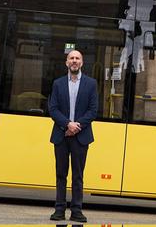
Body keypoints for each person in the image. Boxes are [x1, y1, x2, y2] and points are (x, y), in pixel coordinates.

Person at [48, 48, 98, 222]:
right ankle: (59, 210)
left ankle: (76, 210)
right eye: (71, 58)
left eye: (77, 58)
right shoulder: (58, 83)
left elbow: (93, 110)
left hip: (81, 136)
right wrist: (67, 124)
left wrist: (77, 126)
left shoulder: (91, 84)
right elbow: (52, 108)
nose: (74, 61)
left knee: (78, 176)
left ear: (82, 63)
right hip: (61, 135)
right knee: (61, 174)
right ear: (67, 63)